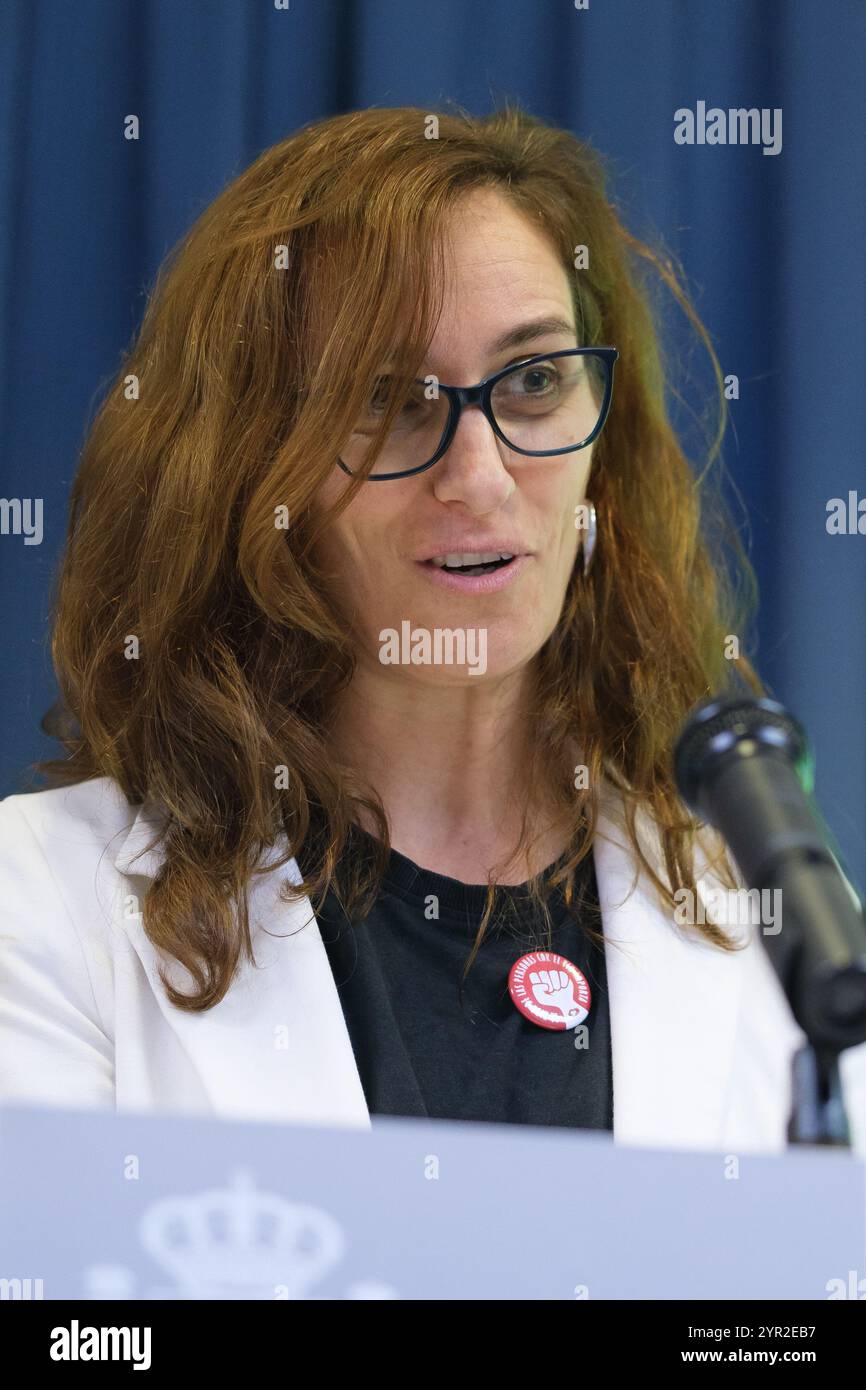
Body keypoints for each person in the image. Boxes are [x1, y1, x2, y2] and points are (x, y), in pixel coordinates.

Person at [1, 103, 860, 1152]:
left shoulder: (759, 911)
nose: (480, 478)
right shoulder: (43, 903)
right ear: (244, 467)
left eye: (535, 380)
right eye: (389, 399)